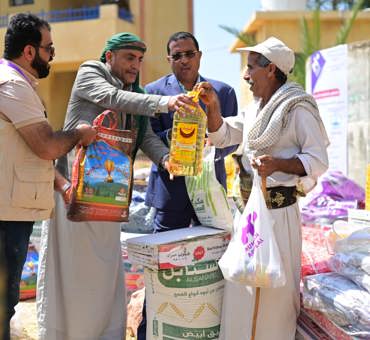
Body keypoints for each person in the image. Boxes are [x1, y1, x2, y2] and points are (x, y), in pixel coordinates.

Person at [36, 32, 192, 340]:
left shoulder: (135, 91)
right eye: (129, 58)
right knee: (71, 275)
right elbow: (113, 99)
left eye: (139, 60)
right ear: (110, 57)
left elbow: (144, 137)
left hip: (109, 198)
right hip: (73, 195)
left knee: (104, 275)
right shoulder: (90, 72)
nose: (136, 65)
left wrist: (165, 160)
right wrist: (164, 102)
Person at [194, 37, 329, 340]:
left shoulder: (298, 108)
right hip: (250, 215)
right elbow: (225, 134)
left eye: (250, 68)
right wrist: (213, 107)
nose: (245, 75)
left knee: (274, 301)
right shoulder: (256, 109)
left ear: (270, 69)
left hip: (279, 216)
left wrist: (279, 165)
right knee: (241, 291)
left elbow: (318, 161)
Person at [0, 13, 96, 340]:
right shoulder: (12, 85)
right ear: (29, 52)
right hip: (5, 216)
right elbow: (45, 145)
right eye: (49, 49)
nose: (51, 56)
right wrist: (80, 134)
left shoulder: (18, 84)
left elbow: (24, 151)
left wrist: (62, 183)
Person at [144, 31, 238, 232]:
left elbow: (233, 140)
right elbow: (148, 138)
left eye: (189, 54)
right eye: (177, 56)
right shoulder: (152, 92)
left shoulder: (223, 92)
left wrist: (212, 148)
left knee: (212, 254)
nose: (184, 60)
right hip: (169, 190)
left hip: (209, 189)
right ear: (168, 59)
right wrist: (176, 136)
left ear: (200, 55)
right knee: (166, 256)